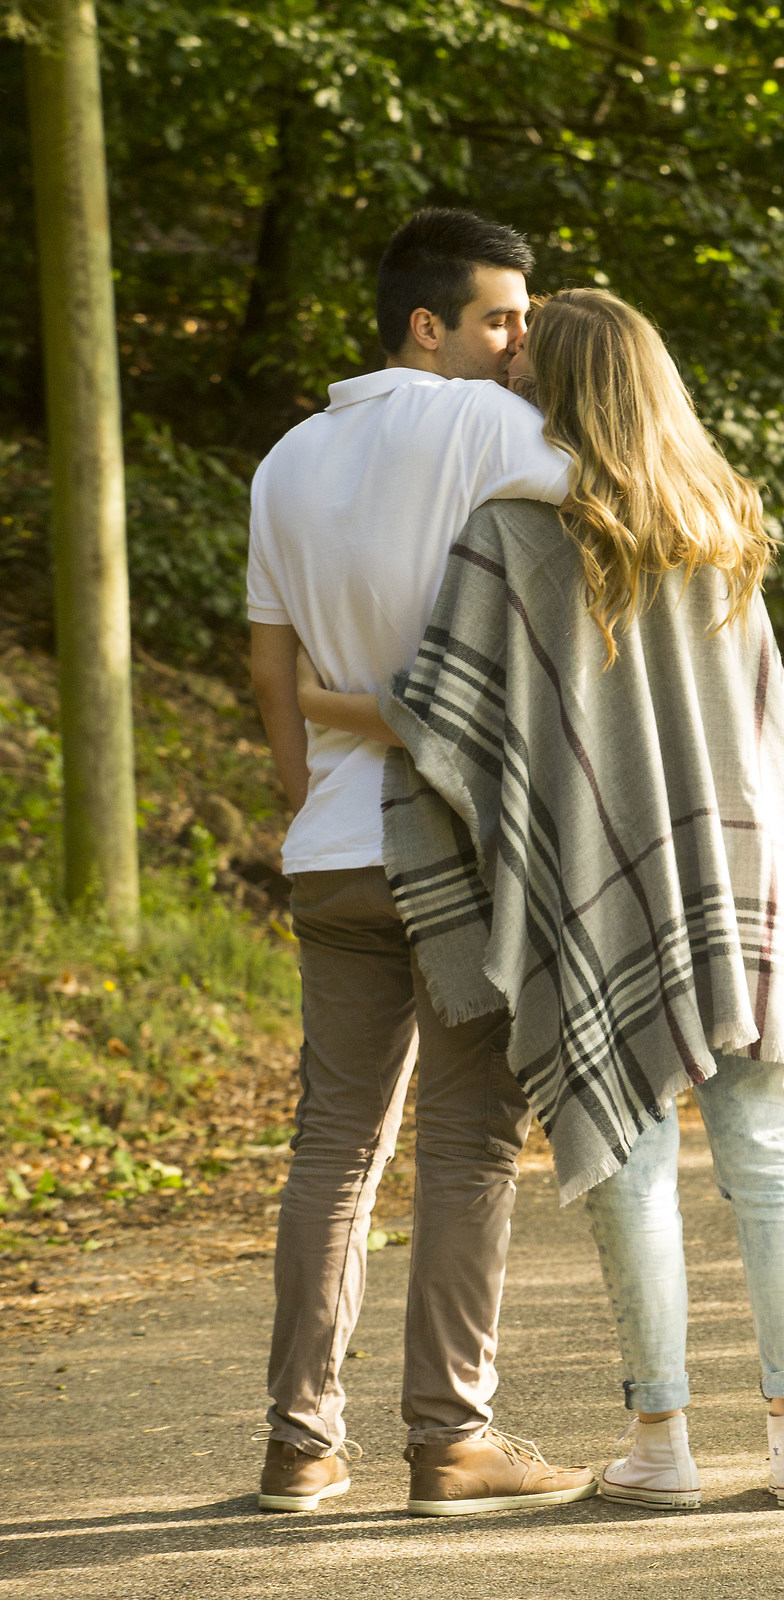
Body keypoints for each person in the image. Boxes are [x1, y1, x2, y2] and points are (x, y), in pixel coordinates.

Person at [300, 287, 784, 1512]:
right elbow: (762, 717)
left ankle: (663, 1443)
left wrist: (320, 701)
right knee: (768, 1152)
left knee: (631, 1157)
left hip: (603, 879)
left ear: (549, 390)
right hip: (747, 858)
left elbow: (449, 718)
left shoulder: (513, 530)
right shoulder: (722, 514)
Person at [246, 208, 597, 1517]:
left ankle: (299, 1444)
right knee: (463, 1146)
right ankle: (451, 1440)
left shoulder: (287, 459)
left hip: (335, 847)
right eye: (504, 317)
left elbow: (272, 664)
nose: (523, 342)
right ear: (427, 323)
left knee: (332, 1148)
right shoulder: (505, 432)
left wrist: (307, 796)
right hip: (465, 844)